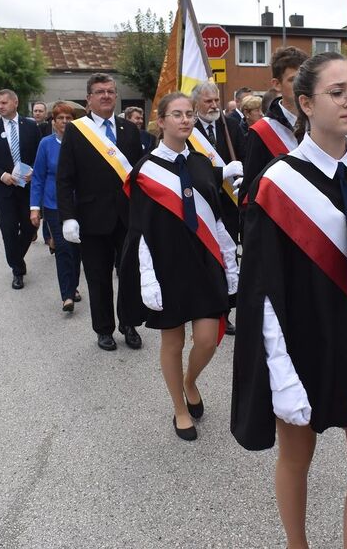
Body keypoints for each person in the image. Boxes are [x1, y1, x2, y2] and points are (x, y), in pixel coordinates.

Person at [231, 52, 347, 548]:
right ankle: (297, 544)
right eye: (338, 92)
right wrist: (281, 373)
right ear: (306, 103)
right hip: (302, 335)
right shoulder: (276, 182)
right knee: (297, 458)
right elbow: (262, 288)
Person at [121, 92, 238, 441]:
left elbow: (216, 219)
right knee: (172, 342)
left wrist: (230, 263)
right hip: (166, 265)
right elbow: (139, 229)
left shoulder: (202, 163)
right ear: (161, 121)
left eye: (189, 113)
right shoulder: (145, 170)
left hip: (203, 262)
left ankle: (190, 380)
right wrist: (147, 278)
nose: (185, 120)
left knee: (206, 339)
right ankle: (179, 408)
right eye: (177, 114)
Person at [58, 73, 144, 351]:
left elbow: (139, 175)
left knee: (131, 274)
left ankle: (129, 324)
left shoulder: (129, 129)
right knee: (98, 277)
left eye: (110, 91)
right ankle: (104, 329)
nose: (106, 95)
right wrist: (68, 217)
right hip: (92, 218)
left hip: (127, 216)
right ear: (89, 98)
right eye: (100, 92)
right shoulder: (76, 130)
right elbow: (65, 178)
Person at [190, 82, 245, 334]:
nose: (214, 105)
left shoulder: (230, 125)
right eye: (208, 101)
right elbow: (191, 169)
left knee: (229, 258)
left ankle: (227, 311)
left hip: (230, 204)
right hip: (202, 204)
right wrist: (221, 171)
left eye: (216, 100)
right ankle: (205, 308)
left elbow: (244, 156)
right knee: (206, 259)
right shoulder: (190, 131)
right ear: (196, 104)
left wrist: (243, 175)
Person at [0, 89, 41, 290]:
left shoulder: (31, 127)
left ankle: (16, 258)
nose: (1, 106)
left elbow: (39, 156)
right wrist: (2, 175)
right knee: (8, 231)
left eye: (4, 102)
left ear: (16, 102)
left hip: (27, 188)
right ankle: (17, 270)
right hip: (4, 190)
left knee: (30, 227)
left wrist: (34, 171)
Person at [240, 46, 309, 205]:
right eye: (293, 80)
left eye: (303, 79)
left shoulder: (319, 125)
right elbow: (250, 193)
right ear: (277, 84)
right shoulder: (261, 131)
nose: (300, 86)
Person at [30, 103, 82, 312]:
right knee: (62, 247)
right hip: (53, 204)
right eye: (60, 118)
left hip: (78, 203)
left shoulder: (80, 142)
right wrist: (35, 207)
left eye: (68, 118)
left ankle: (74, 285)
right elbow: (38, 177)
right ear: (53, 122)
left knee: (76, 248)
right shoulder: (45, 144)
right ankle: (67, 295)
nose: (64, 122)